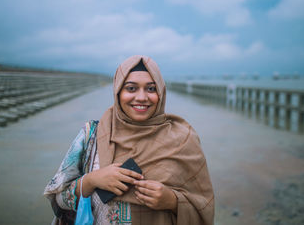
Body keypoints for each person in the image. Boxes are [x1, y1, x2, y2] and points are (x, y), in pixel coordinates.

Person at [44, 55, 214, 225]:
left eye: (151, 89)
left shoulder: (182, 139)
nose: (141, 97)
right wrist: (91, 180)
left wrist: (172, 201)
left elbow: (204, 206)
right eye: (131, 88)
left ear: (161, 92)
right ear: (118, 92)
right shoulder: (92, 135)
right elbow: (58, 200)